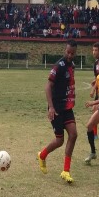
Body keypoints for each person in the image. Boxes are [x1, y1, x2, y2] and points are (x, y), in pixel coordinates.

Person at [37, 39, 78, 184]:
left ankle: (66, 171)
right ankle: (42, 155)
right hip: (56, 108)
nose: (69, 55)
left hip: (67, 107)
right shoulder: (58, 66)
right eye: (68, 52)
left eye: (72, 53)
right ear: (64, 50)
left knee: (73, 135)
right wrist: (51, 107)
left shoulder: (72, 65)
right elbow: (48, 86)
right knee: (60, 140)